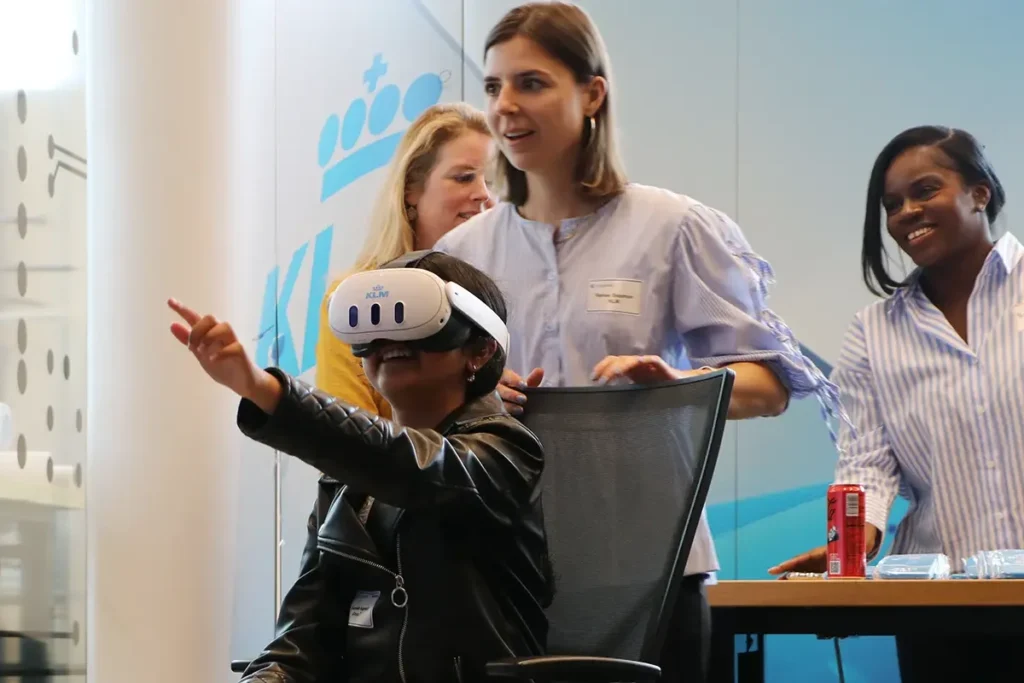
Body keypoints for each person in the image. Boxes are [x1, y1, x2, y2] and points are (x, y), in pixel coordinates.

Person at [432, 3, 843, 682]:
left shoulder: (673, 227)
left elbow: (770, 387)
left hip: (651, 568)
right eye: (493, 87)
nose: (505, 107)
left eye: (531, 83)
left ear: (592, 93)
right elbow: (418, 408)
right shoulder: (461, 255)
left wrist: (676, 389)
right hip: (500, 566)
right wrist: (471, 396)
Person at [167, 251, 551, 683]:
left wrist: (266, 392)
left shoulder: (507, 451)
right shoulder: (345, 484)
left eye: (413, 319)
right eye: (374, 327)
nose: (390, 340)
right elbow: (300, 645)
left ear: (480, 349)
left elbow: (415, 467)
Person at [769, 125, 1019, 680]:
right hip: (944, 613)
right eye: (891, 204)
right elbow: (868, 463)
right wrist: (848, 550)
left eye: (925, 190)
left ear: (980, 192)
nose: (906, 211)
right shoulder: (873, 332)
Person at [315, 102, 494, 418]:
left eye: (492, 182)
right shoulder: (352, 300)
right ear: (412, 188)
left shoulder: (507, 291)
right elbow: (342, 441)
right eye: (465, 177)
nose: (484, 195)